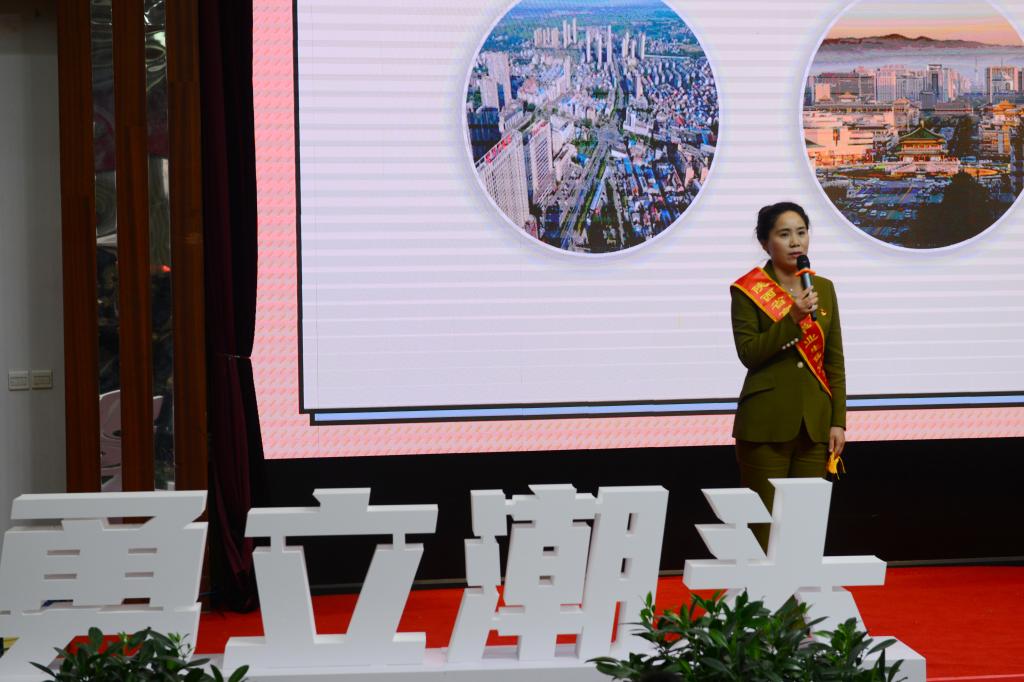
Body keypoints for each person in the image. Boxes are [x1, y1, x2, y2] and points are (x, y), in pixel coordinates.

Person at [729, 202, 846, 549]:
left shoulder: (823, 288)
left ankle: (799, 591)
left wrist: (838, 421)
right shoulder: (747, 290)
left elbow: (834, 361)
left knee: (802, 535)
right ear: (765, 243)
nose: (795, 242)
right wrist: (792, 319)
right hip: (765, 426)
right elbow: (749, 353)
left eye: (801, 232)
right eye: (784, 234)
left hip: (814, 427)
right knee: (762, 532)